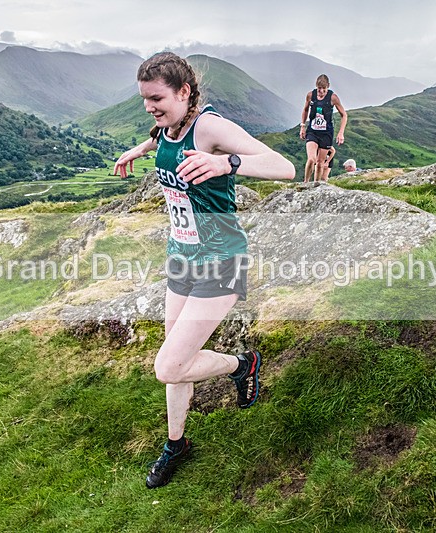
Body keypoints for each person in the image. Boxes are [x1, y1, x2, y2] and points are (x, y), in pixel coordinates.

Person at [114, 52, 295, 489]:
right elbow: (163, 135)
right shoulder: (170, 125)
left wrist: (225, 163)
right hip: (182, 258)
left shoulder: (209, 127)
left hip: (221, 261)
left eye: (157, 98)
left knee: (168, 366)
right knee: (175, 358)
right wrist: (140, 147)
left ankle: (242, 364)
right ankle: (176, 444)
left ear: (184, 92)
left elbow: (283, 167)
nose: (150, 107)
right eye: (144, 100)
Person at [300, 74, 347, 183]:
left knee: (320, 163)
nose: (321, 91)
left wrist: (341, 133)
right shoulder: (310, 95)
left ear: (328, 86)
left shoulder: (333, 97)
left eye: (324, 89)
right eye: (319, 88)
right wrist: (302, 126)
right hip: (312, 131)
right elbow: (305, 109)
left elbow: (344, 115)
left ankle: (316, 185)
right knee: (312, 159)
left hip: (326, 133)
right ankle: (305, 183)